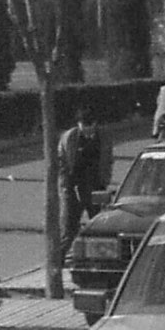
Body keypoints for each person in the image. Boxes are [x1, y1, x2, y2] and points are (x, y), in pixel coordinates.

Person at [58, 105, 108, 258]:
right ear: (78, 124)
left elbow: (107, 161)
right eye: (84, 125)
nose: (87, 129)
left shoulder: (103, 137)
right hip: (72, 187)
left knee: (100, 226)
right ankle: (58, 260)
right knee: (69, 227)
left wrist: (104, 183)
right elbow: (61, 164)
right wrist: (67, 187)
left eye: (90, 125)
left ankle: (97, 258)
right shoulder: (70, 138)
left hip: (95, 187)